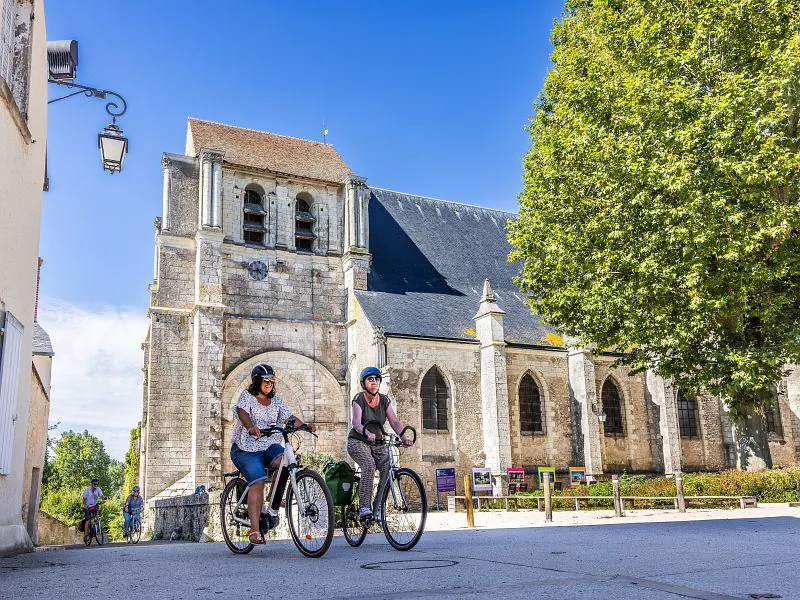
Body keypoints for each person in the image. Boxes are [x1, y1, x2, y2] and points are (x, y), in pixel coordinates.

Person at [230, 363, 313, 544]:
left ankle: (272, 500)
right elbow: (242, 412)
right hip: (246, 447)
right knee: (258, 481)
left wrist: (304, 425)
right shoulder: (247, 397)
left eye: (271, 381)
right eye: (265, 381)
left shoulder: (277, 402)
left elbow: (288, 418)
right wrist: (250, 426)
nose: (269, 384)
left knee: (286, 461)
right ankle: (254, 531)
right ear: (257, 382)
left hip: (268, 444)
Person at [347, 366, 413, 523]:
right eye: (370, 379)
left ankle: (376, 510)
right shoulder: (359, 399)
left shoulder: (384, 400)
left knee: (387, 467)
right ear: (364, 383)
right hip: (358, 441)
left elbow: (395, 421)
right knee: (369, 465)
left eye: (376, 379)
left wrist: (403, 436)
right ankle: (364, 507)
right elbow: (356, 423)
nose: (374, 382)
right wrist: (366, 432)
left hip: (378, 442)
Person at [81, 477, 104, 542]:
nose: (95, 486)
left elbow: (102, 496)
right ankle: (86, 534)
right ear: (91, 484)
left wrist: (103, 500)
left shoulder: (98, 489)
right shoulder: (87, 490)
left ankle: (96, 527)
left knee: (96, 517)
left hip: (94, 506)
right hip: (87, 506)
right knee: (88, 520)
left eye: (96, 484)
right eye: (94, 484)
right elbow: (84, 498)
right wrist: (84, 506)